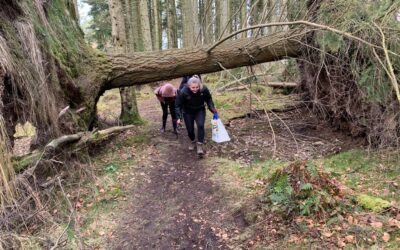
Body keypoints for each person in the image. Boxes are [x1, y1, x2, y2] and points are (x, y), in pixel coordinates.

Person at [175, 75, 218, 156]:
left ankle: (199, 145)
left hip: (200, 109)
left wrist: (212, 108)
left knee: (201, 125)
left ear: (199, 86)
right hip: (187, 111)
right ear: (189, 86)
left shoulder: (204, 89)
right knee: (190, 129)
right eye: (193, 88)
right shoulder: (183, 92)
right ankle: (192, 141)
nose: (195, 89)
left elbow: (208, 99)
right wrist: (178, 117)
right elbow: (178, 105)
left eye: (196, 87)